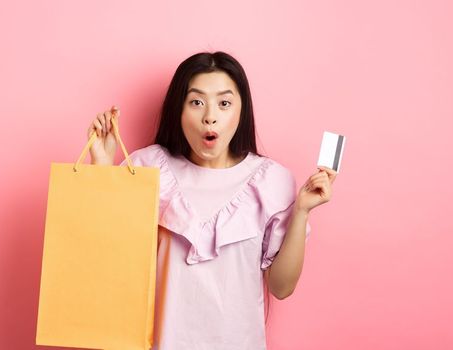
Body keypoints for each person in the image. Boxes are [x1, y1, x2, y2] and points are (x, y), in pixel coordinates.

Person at [86, 51, 336, 349]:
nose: (210, 116)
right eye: (196, 102)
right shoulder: (145, 167)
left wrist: (302, 212)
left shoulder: (272, 180)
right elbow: (108, 259)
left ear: (241, 112)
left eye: (224, 103)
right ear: (179, 110)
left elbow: (281, 288)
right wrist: (101, 167)